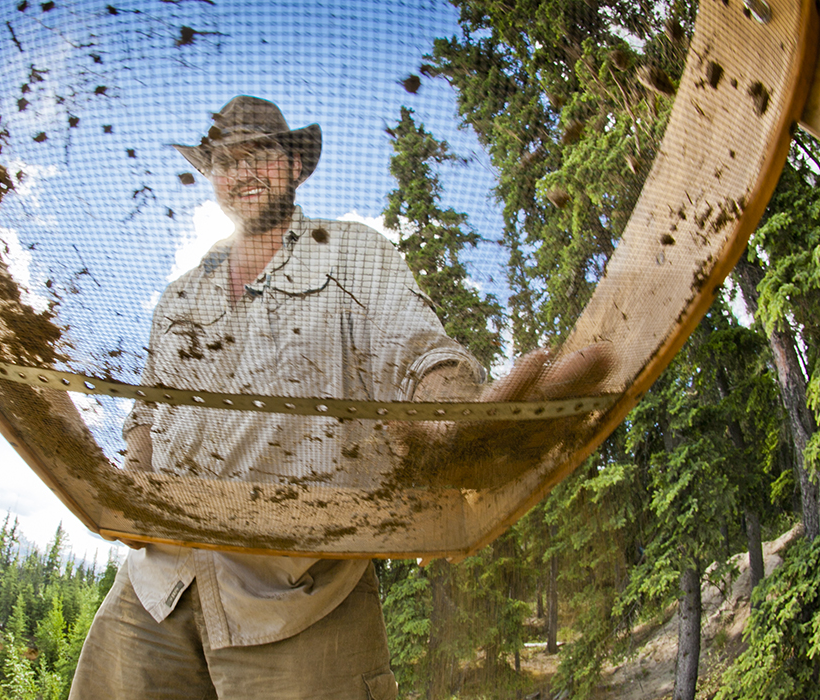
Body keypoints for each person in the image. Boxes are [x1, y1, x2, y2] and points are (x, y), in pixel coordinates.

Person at [69, 96, 611, 699]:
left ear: (297, 165)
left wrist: (452, 416)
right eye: (224, 159)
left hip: (301, 587)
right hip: (156, 589)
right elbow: (149, 408)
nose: (242, 171)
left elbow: (415, 345)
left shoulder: (350, 252)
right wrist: (134, 478)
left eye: (260, 154)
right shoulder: (180, 296)